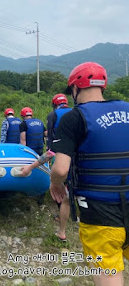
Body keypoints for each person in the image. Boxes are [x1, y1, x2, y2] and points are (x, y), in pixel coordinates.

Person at [50, 62, 129, 286]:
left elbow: (61, 168)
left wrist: (55, 184)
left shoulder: (73, 118)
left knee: (109, 273)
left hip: (99, 211)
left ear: (76, 88)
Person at [46, 93, 73, 240]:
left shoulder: (53, 114)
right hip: (77, 153)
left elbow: (51, 136)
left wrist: (49, 152)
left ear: (55, 103)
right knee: (73, 184)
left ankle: (61, 219)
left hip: (60, 152)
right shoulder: (76, 112)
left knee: (59, 184)